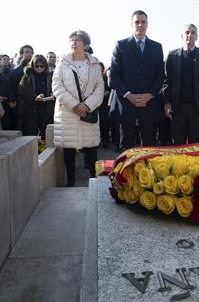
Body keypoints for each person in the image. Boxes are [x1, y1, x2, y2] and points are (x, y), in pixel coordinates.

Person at [52, 30, 104, 187]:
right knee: (68, 148)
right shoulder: (62, 63)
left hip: (88, 112)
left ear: (86, 44)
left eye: (78, 40)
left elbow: (99, 88)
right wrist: (74, 104)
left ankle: (95, 182)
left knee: (91, 148)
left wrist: (87, 105)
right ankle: (71, 182)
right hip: (68, 112)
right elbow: (56, 86)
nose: (74, 43)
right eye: (72, 40)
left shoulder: (94, 63)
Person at [110, 10, 165, 150]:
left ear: (147, 24)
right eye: (137, 22)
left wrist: (150, 95)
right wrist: (129, 95)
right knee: (126, 147)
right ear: (131, 24)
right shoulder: (121, 45)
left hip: (149, 103)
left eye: (143, 22)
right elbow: (114, 75)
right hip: (126, 103)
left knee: (148, 146)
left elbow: (160, 75)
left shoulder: (156, 47)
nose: (140, 25)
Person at [164, 23, 199, 145]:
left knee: (195, 143)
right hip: (177, 107)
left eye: (193, 33)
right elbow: (167, 81)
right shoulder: (172, 55)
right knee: (178, 142)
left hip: (197, 108)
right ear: (182, 35)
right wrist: (167, 102)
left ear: (197, 37)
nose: (189, 35)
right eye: (187, 32)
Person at [18, 54, 54, 139]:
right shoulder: (27, 75)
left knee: (46, 132)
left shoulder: (50, 75)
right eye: (37, 66)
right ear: (33, 65)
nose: (39, 68)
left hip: (46, 108)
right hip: (32, 109)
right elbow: (22, 89)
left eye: (42, 66)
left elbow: (55, 87)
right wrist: (34, 97)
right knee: (31, 133)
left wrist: (53, 94)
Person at [8, 45, 34, 130]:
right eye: (27, 52)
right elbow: (11, 87)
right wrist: (12, 100)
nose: (29, 54)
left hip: (33, 103)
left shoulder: (35, 68)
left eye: (31, 52)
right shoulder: (16, 71)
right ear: (21, 54)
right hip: (19, 104)